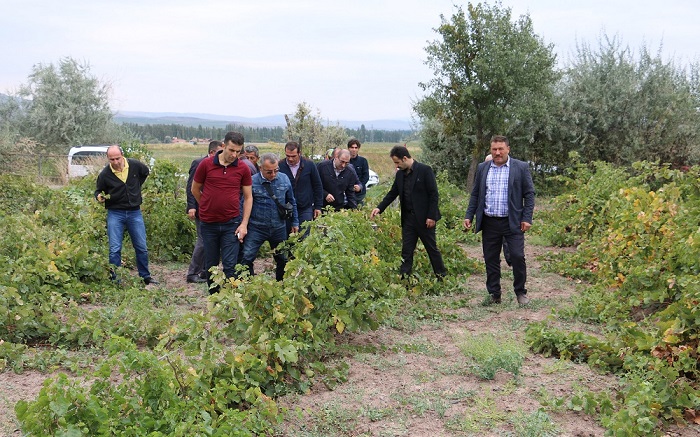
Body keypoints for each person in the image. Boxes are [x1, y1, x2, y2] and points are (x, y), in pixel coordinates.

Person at [464, 135, 535, 305]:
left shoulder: (520, 167)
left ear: (508, 149)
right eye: (494, 149)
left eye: (501, 149)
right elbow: (476, 194)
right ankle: (494, 294)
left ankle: (520, 292)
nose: (497, 152)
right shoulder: (483, 168)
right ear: (491, 150)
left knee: (517, 256)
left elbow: (529, 194)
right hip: (490, 221)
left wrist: (527, 217)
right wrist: (469, 215)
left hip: (513, 222)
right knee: (491, 258)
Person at [370, 145, 447, 279]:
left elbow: (434, 194)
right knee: (406, 250)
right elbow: (393, 193)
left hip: (424, 219)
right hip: (408, 219)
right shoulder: (400, 174)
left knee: (431, 248)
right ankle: (404, 278)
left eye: (397, 162)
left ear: (405, 158)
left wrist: (431, 216)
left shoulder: (425, 170)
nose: (396, 165)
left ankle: (441, 276)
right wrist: (379, 208)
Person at [191, 131, 252, 294]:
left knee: (230, 265)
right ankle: (214, 300)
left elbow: (248, 197)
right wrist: (205, 204)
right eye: (231, 150)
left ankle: (231, 300)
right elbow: (195, 189)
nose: (234, 155)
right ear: (223, 146)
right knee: (210, 266)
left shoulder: (243, 168)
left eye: (238, 151)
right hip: (208, 224)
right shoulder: (206, 164)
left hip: (231, 223)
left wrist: (244, 224)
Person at [95, 145, 158, 285]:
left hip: (134, 212)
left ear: (122, 155)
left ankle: (145, 277)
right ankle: (115, 279)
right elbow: (98, 190)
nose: (116, 162)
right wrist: (99, 197)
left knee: (141, 246)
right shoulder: (105, 174)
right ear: (108, 159)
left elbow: (145, 172)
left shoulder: (134, 165)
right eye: (112, 159)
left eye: (117, 158)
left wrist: (135, 187)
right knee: (114, 248)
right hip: (115, 213)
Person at [241, 153, 299, 281]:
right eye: (269, 172)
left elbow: (291, 201)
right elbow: (243, 203)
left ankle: (281, 285)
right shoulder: (251, 181)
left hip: (279, 227)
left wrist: (295, 222)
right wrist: (242, 225)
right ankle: (248, 286)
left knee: (283, 259)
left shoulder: (284, 179)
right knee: (246, 257)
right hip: (256, 227)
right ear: (261, 168)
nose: (273, 174)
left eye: (276, 170)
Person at [185, 140, 223, 283]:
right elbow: (191, 187)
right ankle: (192, 273)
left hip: (215, 210)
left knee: (212, 240)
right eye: (220, 152)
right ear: (213, 152)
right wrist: (192, 206)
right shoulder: (199, 163)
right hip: (202, 208)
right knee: (202, 240)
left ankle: (204, 271)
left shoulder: (219, 165)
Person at [279, 141, 323, 229]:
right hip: (287, 207)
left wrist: (318, 206)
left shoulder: (309, 165)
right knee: (288, 236)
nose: (290, 159)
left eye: (293, 156)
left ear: (299, 153)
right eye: (288, 156)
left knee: (304, 234)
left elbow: (317, 185)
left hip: (305, 206)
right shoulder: (280, 166)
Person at [484, 153, 511, 267]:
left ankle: (510, 259)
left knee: (511, 248)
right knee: (491, 255)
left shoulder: (512, 170)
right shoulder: (485, 171)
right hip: (490, 220)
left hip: (508, 219)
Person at [348, 139, 370, 205]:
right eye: (352, 147)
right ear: (348, 148)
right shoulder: (345, 161)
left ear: (358, 149)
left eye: (356, 148)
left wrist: (360, 186)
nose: (354, 150)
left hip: (360, 193)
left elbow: (366, 176)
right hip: (347, 192)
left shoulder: (363, 161)